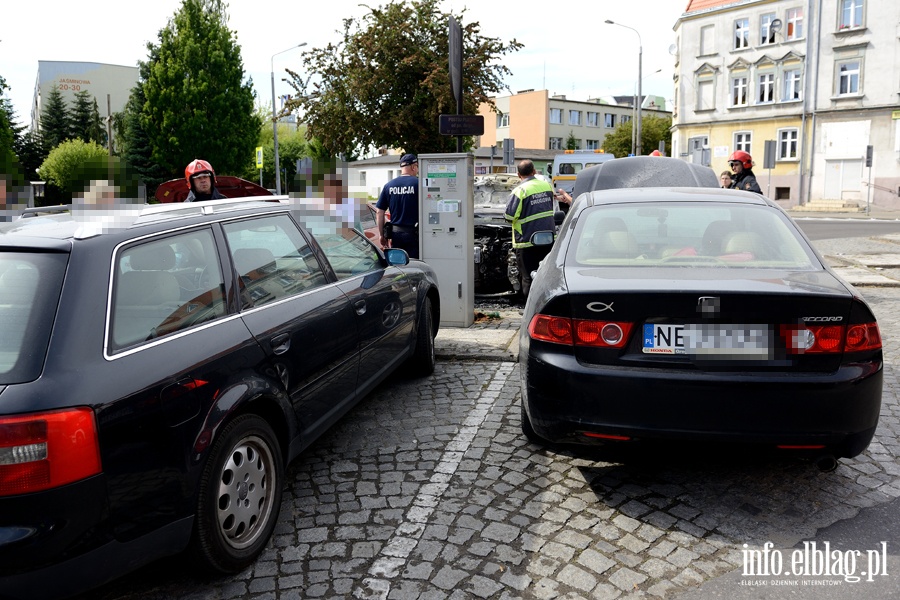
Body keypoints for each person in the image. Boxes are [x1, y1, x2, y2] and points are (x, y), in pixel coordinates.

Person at [505, 159, 556, 298]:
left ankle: (529, 312)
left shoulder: (520, 190)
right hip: (548, 240)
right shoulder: (546, 185)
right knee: (545, 276)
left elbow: (509, 216)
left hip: (527, 242)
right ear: (534, 171)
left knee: (528, 278)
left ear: (518, 174)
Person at [376, 153, 419, 258]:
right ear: (413, 167)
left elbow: (379, 212)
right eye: (417, 167)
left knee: (398, 266)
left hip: (396, 235)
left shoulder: (388, 186)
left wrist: (382, 235)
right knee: (415, 266)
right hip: (414, 235)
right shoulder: (419, 183)